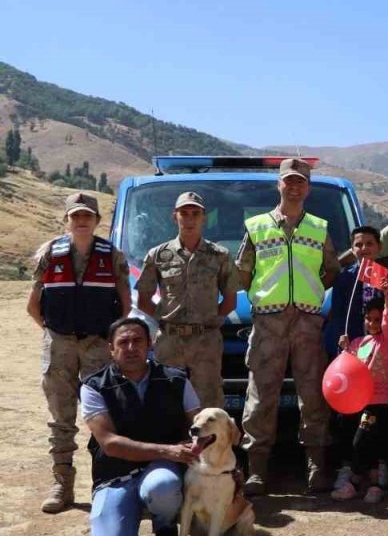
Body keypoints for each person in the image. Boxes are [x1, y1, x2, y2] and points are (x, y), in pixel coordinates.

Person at [236, 158, 341, 496]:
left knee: (312, 396)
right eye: (289, 181)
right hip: (269, 321)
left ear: (308, 188)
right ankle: (257, 471)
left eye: (301, 182)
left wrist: (309, 294)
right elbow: (242, 273)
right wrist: (262, 295)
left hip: (308, 322)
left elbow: (332, 271)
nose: (294, 186)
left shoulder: (319, 228)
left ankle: (315, 468)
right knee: (261, 396)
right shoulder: (256, 226)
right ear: (279, 185)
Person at [27, 192, 131, 514]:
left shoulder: (112, 255)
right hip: (59, 344)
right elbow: (33, 305)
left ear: (98, 220)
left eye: (87, 216)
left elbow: (125, 305)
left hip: (98, 346)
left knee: (104, 414)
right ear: (67, 220)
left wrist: (110, 341)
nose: (81, 221)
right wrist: (55, 332)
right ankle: (63, 485)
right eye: (75, 216)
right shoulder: (49, 254)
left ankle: (109, 483)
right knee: (61, 417)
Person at [81, 318, 201, 536]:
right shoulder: (94, 387)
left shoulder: (177, 380)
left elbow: (199, 426)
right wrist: (168, 450)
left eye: (138, 341)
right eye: (123, 342)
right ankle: (126, 515)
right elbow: (110, 443)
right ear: (111, 349)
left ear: (150, 345)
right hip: (115, 475)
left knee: (163, 486)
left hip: (162, 470)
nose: (131, 347)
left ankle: (165, 527)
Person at [135, 191, 238, 410]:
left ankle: (209, 444)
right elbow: (144, 299)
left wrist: (208, 322)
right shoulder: (158, 255)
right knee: (166, 396)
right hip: (169, 340)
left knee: (209, 400)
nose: (189, 219)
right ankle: (169, 444)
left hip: (205, 340)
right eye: (184, 213)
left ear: (204, 218)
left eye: (195, 213)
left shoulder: (219, 255)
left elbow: (230, 301)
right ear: (175, 217)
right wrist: (165, 320)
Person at [330, 298, 388, 503]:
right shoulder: (358, 342)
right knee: (362, 442)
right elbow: (350, 370)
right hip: (358, 402)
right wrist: (344, 348)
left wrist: (387, 293)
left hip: (378, 403)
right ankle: (371, 485)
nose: (373, 324)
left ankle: (357, 483)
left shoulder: (387, 341)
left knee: (363, 440)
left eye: (377, 319)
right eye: (369, 319)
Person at [324, 226, 388, 358]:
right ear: (352, 250)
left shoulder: (387, 278)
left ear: (379, 247)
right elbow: (338, 315)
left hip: (380, 347)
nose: (364, 248)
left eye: (369, 244)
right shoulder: (345, 277)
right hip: (351, 343)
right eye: (358, 245)